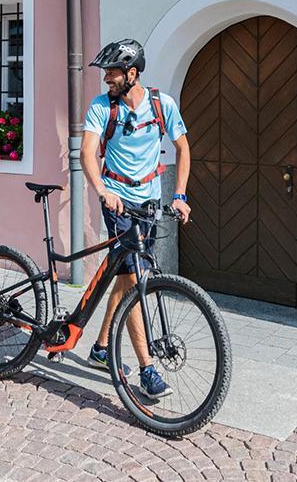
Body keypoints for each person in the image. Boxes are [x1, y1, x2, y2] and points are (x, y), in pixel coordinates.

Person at [79, 38, 192, 399]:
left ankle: (99, 349)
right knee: (135, 279)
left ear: (132, 73)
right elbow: (87, 153)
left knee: (125, 277)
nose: (106, 79)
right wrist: (102, 191)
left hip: (150, 202)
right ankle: (147, 368)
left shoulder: (162, 104)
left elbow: (183, 147)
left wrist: (180, 195)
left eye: (112, 72)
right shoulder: (102, 107)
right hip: (117, 202)